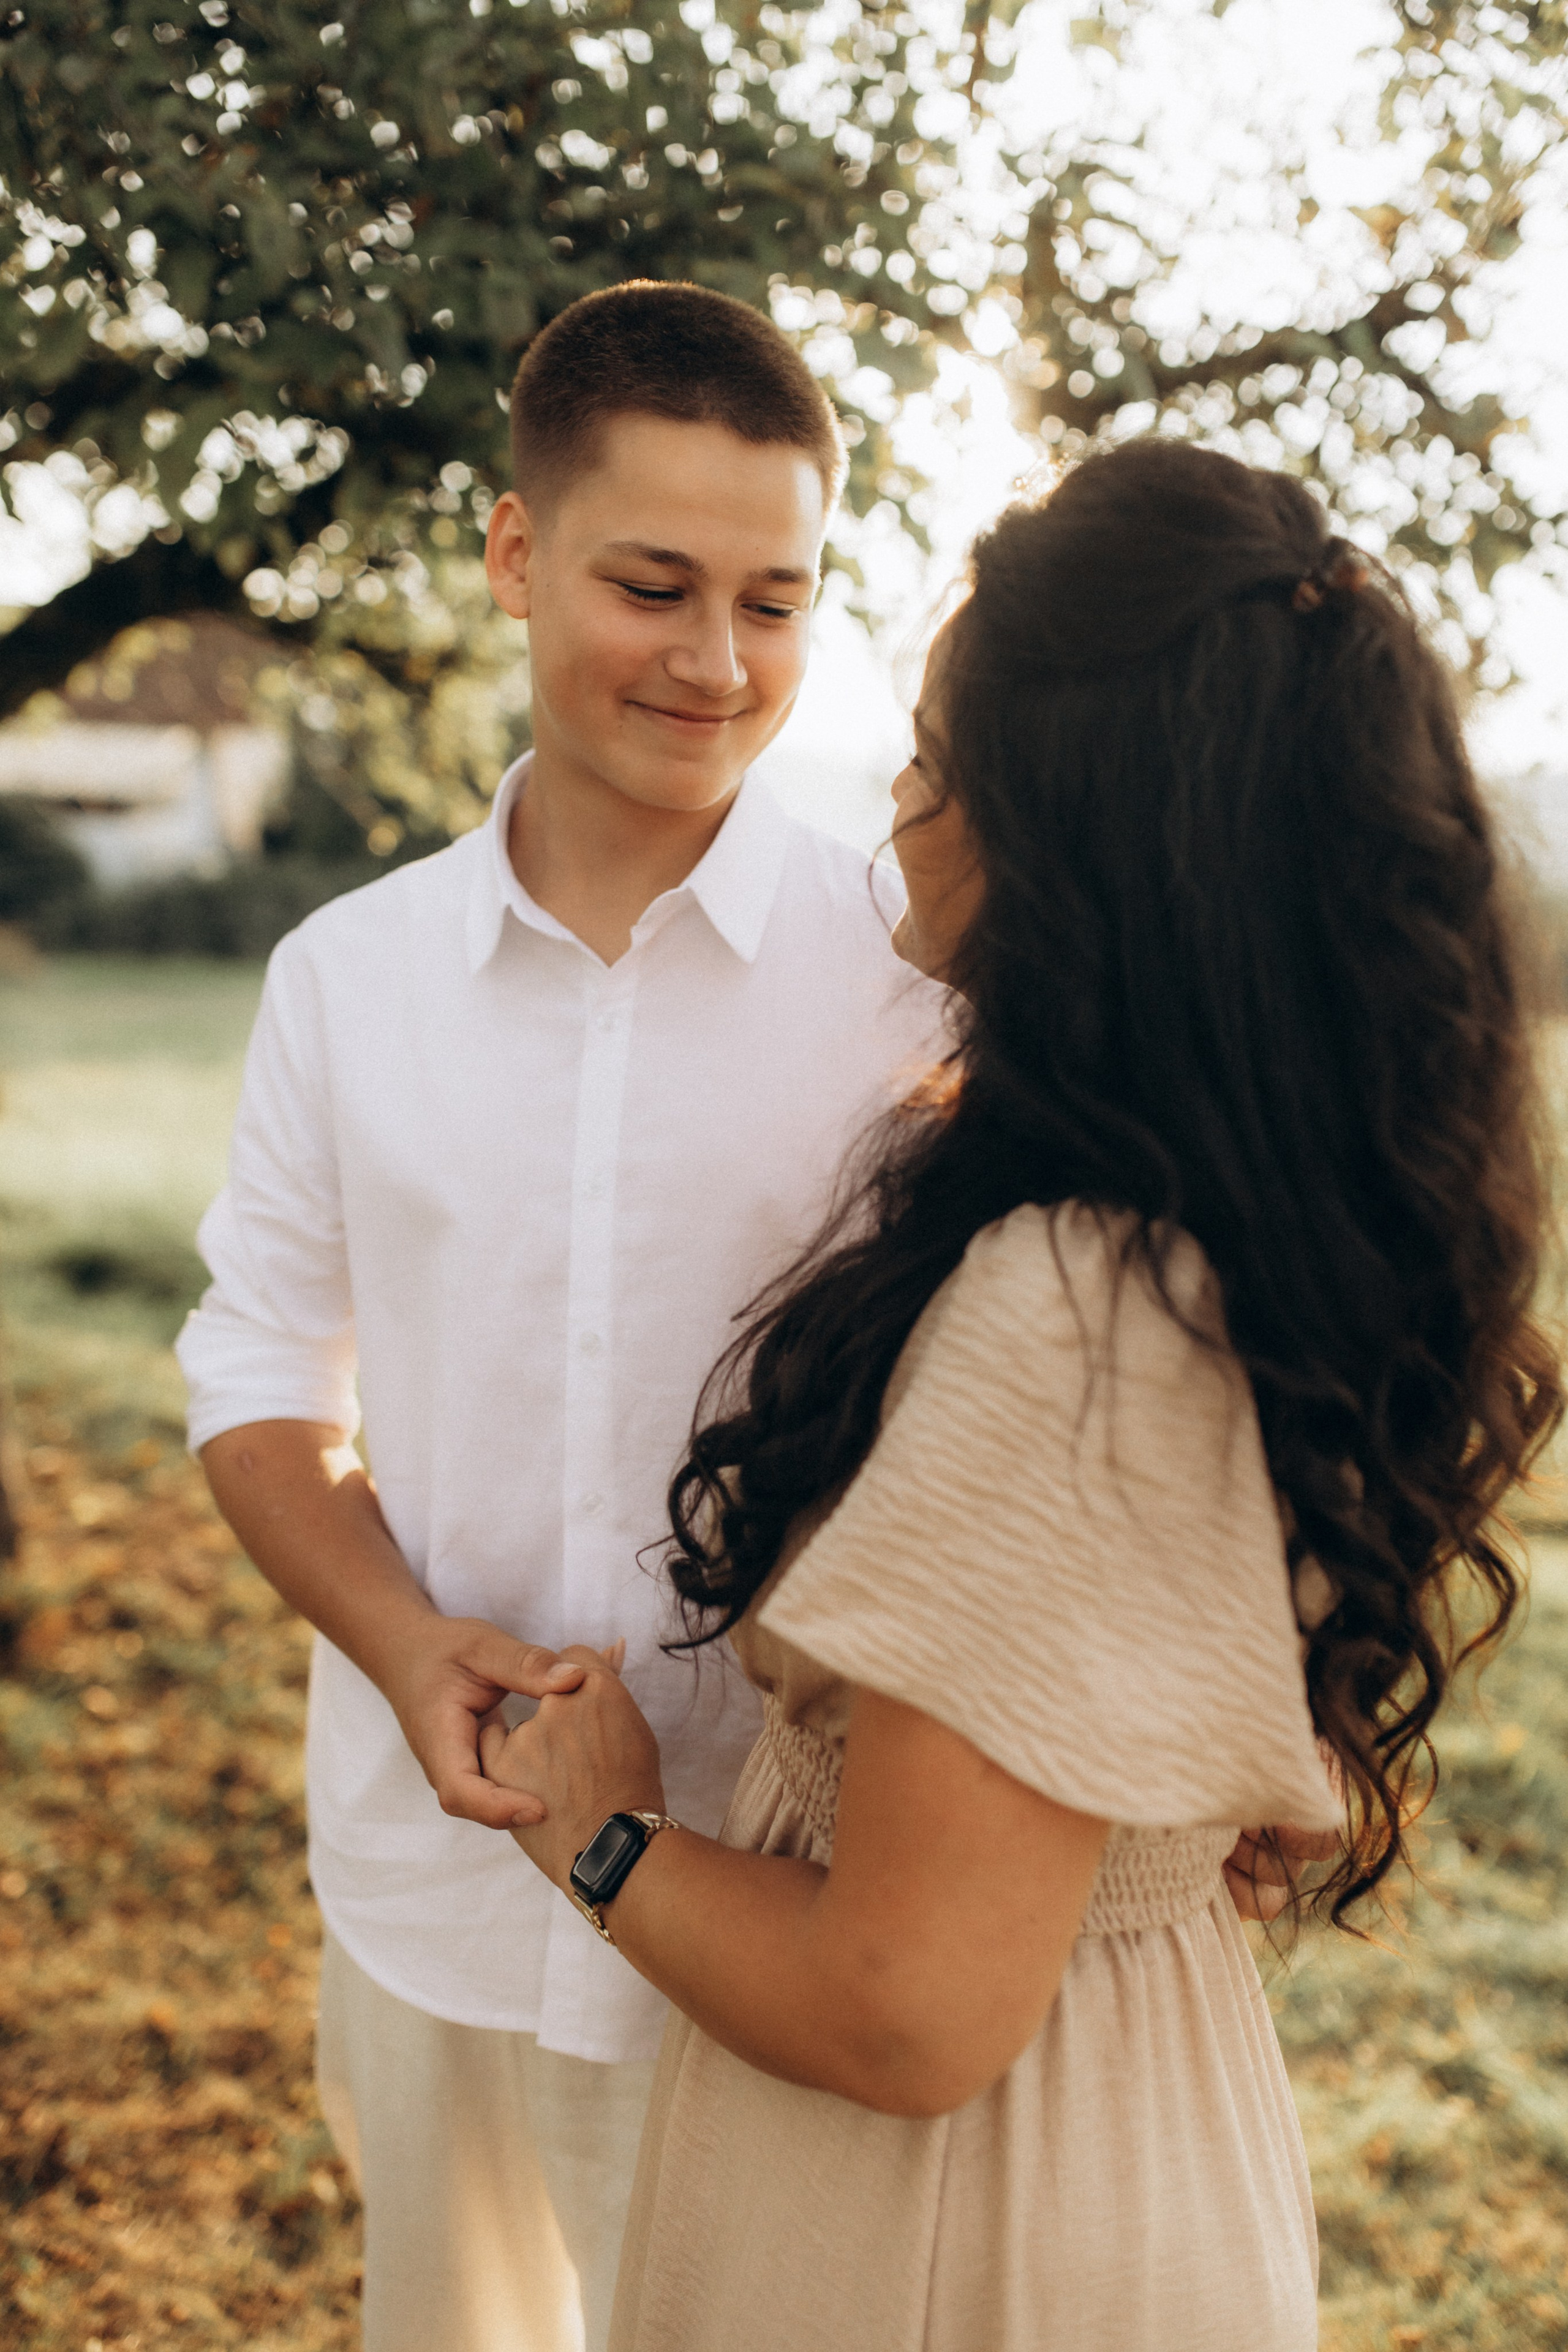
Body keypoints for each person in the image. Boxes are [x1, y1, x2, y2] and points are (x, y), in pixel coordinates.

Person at [480, 437, 1563, 2351]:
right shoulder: (1236, 1221)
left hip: (958, 2218)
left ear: (1079, 833)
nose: (898, 791)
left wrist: (601, 1830)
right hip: (1124, 2113)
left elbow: (903, 2008)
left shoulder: (1075, 1300)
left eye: (937, 745)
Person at [176, 280, 949, 2352]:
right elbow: (258, 1375)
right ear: (518, 558)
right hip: (427, 1898)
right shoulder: (345, 979)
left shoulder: (919, 983)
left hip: (781, 1909)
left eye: (775, 602)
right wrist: (407, 1640)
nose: (716, 665)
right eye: (654, 584)